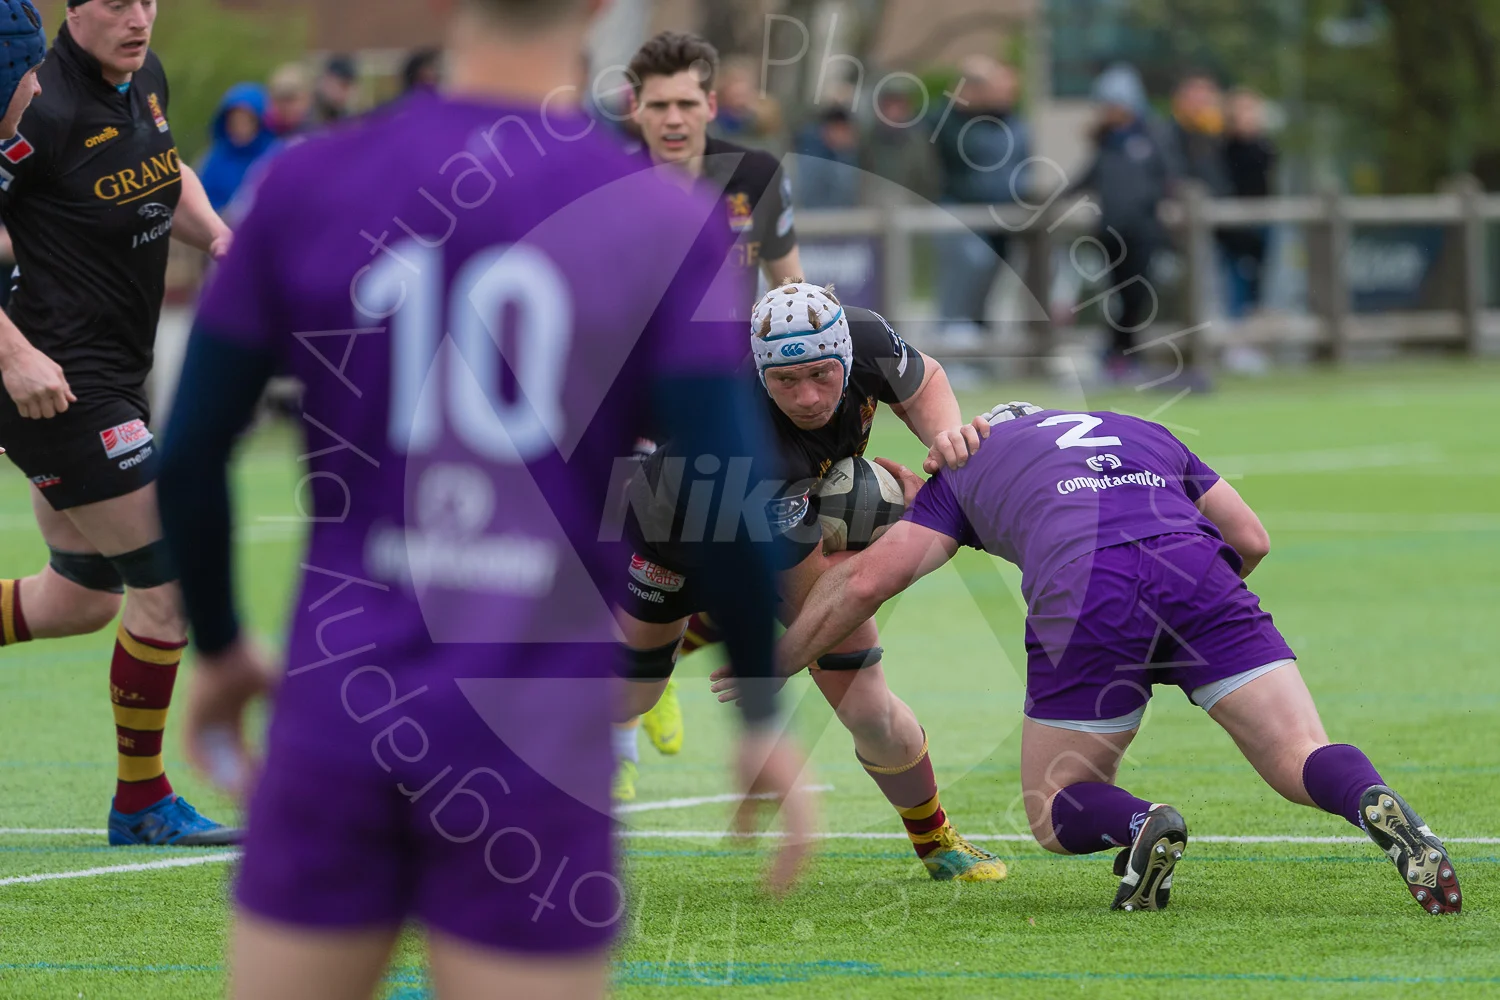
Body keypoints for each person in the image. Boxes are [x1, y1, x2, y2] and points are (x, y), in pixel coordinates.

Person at [157, 1, 812, 997]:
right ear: (597, 9)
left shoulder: (309, 179)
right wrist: (760, 705)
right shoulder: (654, 213)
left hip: (343, 704)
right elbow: (722, 479)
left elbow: (194, 450)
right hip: (535, 731)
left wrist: (217, 643)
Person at [761, 401, 1462, 915]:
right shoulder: (1140, 431)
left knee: (1055, 807)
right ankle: (1379, 805)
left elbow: (868, 580)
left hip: (1088, 587)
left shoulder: (967, 463)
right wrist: (1182, 633)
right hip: (1198, 572)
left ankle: (1140, 826)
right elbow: (1251, 539)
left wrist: (779, 659)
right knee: (1298, 754)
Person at [616, 279, 1009, 883]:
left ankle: (936, 840)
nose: (806, 396)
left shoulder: (867, 334)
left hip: (788, 515)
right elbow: (841, 588)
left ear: (848, 355)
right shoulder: (751, 445)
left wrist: (944, 441)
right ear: (759, 371)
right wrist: (905, 523)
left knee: (865, 697)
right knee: (631, 694)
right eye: (785, 381)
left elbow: (925, 377)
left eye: (822, 375)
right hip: (671, 532)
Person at [0, 0, 235, 847]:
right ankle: (141, 804)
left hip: (113, 377)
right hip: (55, 384)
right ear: (72, 9)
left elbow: (166, 173)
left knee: (76, 601)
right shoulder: (33, 99)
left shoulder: (146, 77)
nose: (138, 17)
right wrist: (13, 356)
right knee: (165, 583)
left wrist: (217, 239)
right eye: (115, 2)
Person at [615, 30, 805, 783]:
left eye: (685, 103)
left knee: (746, 555)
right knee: (618, 562)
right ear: (635, 107)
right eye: (656, 105)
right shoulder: (606, 179)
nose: (671, 118)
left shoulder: (752, 172)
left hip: (730, 399)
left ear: (710, 104)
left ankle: (655, 663)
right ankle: (621, 733)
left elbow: (792, 288)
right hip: (628, 401)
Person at [1070, 64, 1178, 374]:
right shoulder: (1106, 143)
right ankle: (1118, 354)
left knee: (1137, 294)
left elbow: (1167, 178)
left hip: (1143, 230)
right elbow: (1088, 176)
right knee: (1116, 295)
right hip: (1111, 231)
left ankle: (1127, 352)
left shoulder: (1152, 138)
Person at [929, 56, 1030, 335]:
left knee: (988, 290)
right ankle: (948, 340)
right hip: (963, 217)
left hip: (1004, 223)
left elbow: (1022, 169)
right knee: (966, 277)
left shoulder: (1014, 124)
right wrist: (962, 88)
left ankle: (978, 341)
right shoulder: (957, 122)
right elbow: (936, 126)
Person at [198, 83, 281, 213]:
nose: (240, 127)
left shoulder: (274, 156)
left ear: (260, 123)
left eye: (247, 121)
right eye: (234, 121)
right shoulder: (215, 157)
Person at [793, 105, 861, 209]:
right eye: (837, 129)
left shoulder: (850, 155)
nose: (841, 135)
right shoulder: (812, 160)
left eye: (844, 130)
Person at [265, 63, 312, 138]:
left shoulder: (317, 130)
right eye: (280, 99)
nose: (285, 106)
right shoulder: (265, 131)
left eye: (291, 99)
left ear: (307, 98)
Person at [311, 54, 357, 125]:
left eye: (349, 87)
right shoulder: (303, 113)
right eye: (343, 85)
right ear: (326, 80)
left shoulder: (346, 116)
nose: (346, 92)